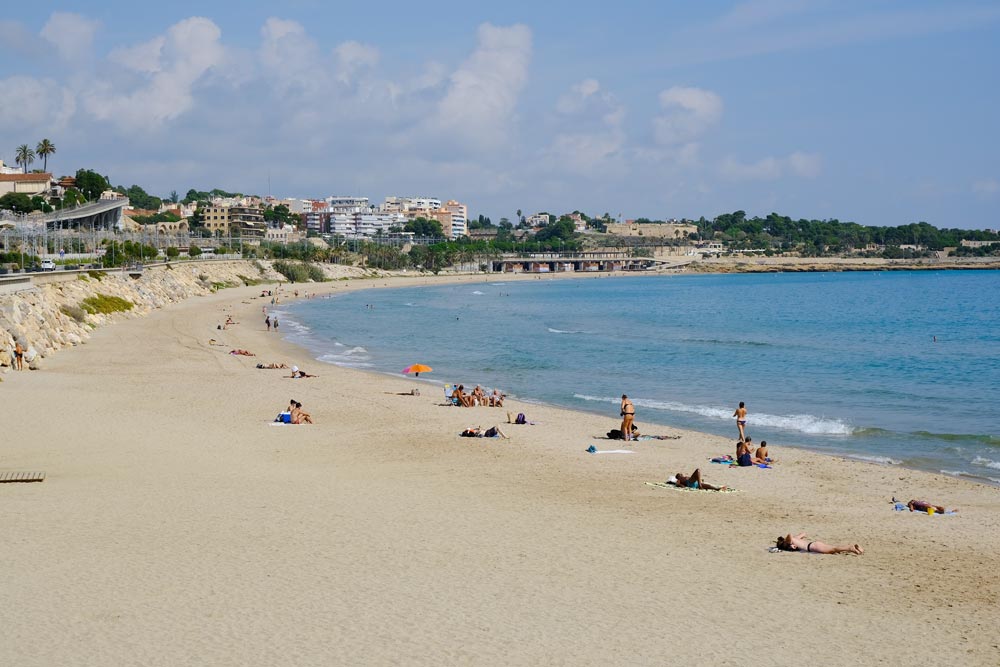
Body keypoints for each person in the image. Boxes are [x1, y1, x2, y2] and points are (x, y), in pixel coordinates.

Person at [776, 533, 863, 555]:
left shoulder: (789, 542)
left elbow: (789, 535)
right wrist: (796, 538)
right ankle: (856, 548)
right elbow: (804, 533)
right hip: (814, 544)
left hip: (812, 547)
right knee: (833, 549)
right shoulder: (796, 539)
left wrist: (788, 542)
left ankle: (850, 548)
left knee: (834, 549)